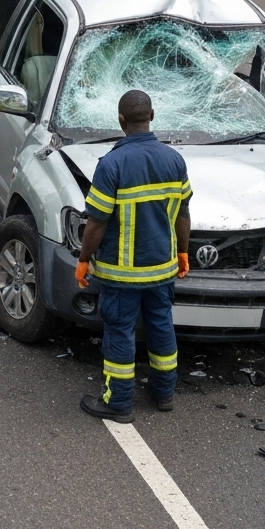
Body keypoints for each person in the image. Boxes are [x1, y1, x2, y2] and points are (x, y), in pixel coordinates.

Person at [75, 90, 191, 423]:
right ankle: (164, 393)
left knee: (120, 333)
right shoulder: (175, 160)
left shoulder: (112, 164)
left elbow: (97, 222)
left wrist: (84, 259)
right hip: (162, 269)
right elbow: (183, 213)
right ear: (152, 115)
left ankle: (119, 403)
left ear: (121, 120)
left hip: (122, 275)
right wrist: (183, 252)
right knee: (161, 326)